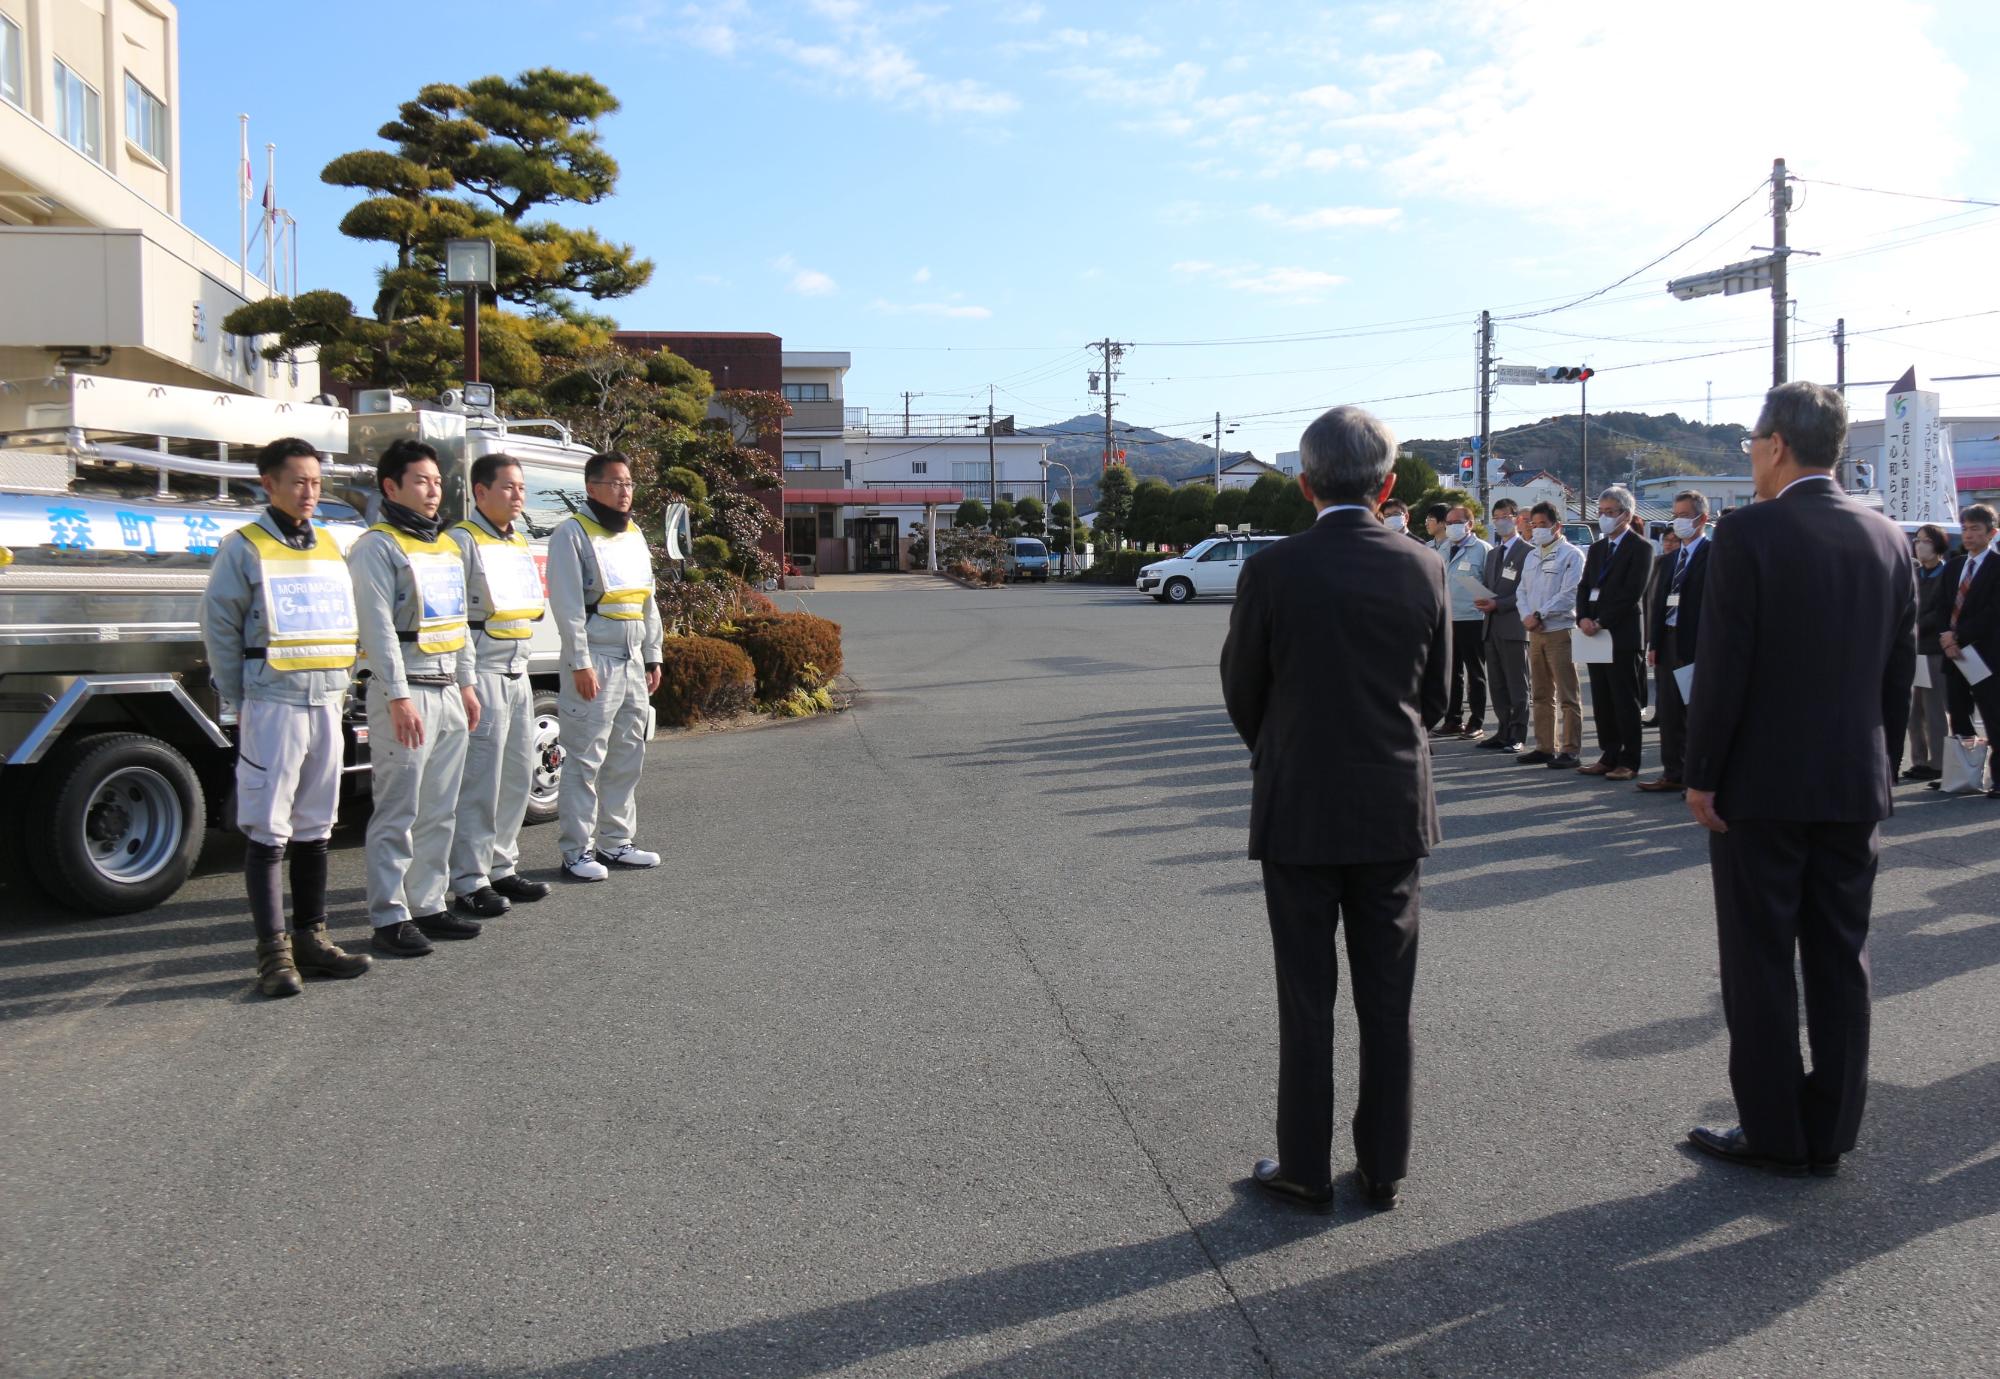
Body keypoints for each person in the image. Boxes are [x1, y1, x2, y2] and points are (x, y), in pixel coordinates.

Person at [1684, 380, 1917, 1176]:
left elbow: (1725, 670)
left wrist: (1702, 772)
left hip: (1763, 783)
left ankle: (1775, 1129)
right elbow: (1897, 671)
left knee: (1758, 957)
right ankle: (1833, 1127)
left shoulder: (1750, 532)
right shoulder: (1886, 535)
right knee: (1839, 953)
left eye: (1752, 439)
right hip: (1855, 779)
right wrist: (1878, 760)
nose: (1749, 453)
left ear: (1778, 443)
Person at [1220, 405, 1449, 1213]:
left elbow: (1243, 691)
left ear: (1303, 483)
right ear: (1390, 484)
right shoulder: (1425, 566)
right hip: (1392, 805)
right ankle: (1383, 1165)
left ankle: (1304, 1168)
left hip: (1300, 806)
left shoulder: (1274, 570)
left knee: (1305, 995)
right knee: (1389, 997)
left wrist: (1284, 744)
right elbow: (1439, 696)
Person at [199, 438, 373, 997]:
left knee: (317, 825)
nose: (309, 492)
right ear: (268, 484)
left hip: (326, 701)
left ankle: (311, 938)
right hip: (272, 702)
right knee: (268, 829)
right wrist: (241, 697)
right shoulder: (244, 547)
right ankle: (273, 956)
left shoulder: (328, 544)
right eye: (298, 481)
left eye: (317, 482)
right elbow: (220, 627)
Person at [351, 438, 483, 956]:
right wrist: (397, 697)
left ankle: (428, 903)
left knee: (440, 808)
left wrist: (468, 684)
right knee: (398, 810)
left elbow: (460, 623)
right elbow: (377, 628)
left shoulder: (445, 545)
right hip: (405, 691)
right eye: (422, 482)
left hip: (448, 686)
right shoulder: (376, 547)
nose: (434, 492)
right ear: (391, 487)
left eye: (437, 482)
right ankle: (389, 916)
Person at [549, 451, 666, 881]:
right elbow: (566, 606)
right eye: (615, 483)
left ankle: (616, 842)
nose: (624, 492)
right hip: (595, 659)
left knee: (627, 753)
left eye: (629, 483)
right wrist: (579, 662)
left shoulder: (633, 533)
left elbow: (647, 600)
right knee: (584, 758)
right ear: (591, 487)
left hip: (633, 659)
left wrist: (653, 654)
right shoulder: (573, 534)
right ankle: (576, 851)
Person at [448, 454, 555, 917]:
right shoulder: (461, 541)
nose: (518, 497)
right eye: (508, 487)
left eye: (521, 488)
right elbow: (452, 617)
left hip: (519, 671)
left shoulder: (517, 543)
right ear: (480, 492)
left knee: (516, 777)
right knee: (480, 783)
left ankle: (501, 867)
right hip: (483, 671)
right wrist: (465, 679)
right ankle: (469, 880)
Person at [1575, 486, 1651, 781]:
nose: (1604, 518)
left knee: (1624, 699)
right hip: (1593, 633)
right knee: (1602, 698)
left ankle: (1629, 760)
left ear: (1627, 515)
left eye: (1610, 512)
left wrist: (1602, 620)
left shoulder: (1640, 547)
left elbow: (1632, 592)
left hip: (1621, 633)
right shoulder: (1597, 548)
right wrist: (1583, 617)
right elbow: (1584, 586)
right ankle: (1608, 754)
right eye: (1601, 512)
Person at [1639, 492, 1711, 793]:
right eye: (1676, 515)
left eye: (1684, 515)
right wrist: (1653, 643)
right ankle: (1672, 772)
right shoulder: (1669, 560)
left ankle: (1699, 778)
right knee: (1668, 711)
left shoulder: (1714, 554)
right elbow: (1656, 604)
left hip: (1695, 643)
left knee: (1696, 713)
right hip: (1667, 640)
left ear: (1701, 519)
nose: (1678, 522)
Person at [1929, 504, 2000, 798]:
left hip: (1985, 654)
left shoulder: (1997, 566)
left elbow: (1992, 613)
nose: (1968, 535)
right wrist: (1946, 637)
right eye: (1965, 528)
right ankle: (1960, 773)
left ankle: (1998, 779)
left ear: (1991, 533)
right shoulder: (1956, 565)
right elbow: (1941, 605)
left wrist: (1958, 636)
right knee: (1957, 714)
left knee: (1994, 716)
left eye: (1975, 529)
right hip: (1953, 653)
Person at [1516, 502, 1585, 769]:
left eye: (1543, 525)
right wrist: (1526, 616)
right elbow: (1521, 590)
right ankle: (1545, 746)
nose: (1538, 530)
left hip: (1559, 630)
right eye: (1534, 525)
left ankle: (1570, 748)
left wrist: (1540, 614)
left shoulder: (1572, 554)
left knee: (1568, 693)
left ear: (1557, 526)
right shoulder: (1532, 555)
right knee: (1541, 693)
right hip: (1535, 631)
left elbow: (1570, 593)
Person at [1475, 498, 1531, 751]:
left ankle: (1518, 734)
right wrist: (1482, 598)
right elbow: (1490, 587)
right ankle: (1502, 730)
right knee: (1497, 683)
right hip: (1491, 625)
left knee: (1517, 682)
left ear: (1516, 518)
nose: (1499, 521)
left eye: (1504, 516)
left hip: (1514, 625)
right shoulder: (1493, 553)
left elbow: (1526, 591)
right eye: (1496, 517)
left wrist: (1500, 604)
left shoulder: (1527, 551)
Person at [1433, 505, 1491, 741]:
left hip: (1473, 618)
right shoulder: (1443, 548)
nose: (1451, 526)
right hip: (1448, 617)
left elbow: (1492, 584)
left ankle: (1476, 721)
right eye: (1448, 522)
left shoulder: (1483, 549)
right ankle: (1453, 719)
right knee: (1452, 672)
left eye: (1457, 521)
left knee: (1475, 673)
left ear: (1470, 523)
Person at [1903, 523, 1952, 782]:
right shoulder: (1913, 573)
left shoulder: (1946, 574)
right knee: (1913, 711)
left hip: (1934, 649)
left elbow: (1941, 611)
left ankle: (1939, 761)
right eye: (1917, 540)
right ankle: (1919, 760)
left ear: (1938, 545)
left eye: (1925, 541)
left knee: (1934, 709)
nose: (1919, 546)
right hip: (1913, 648)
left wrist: (1915, 622)